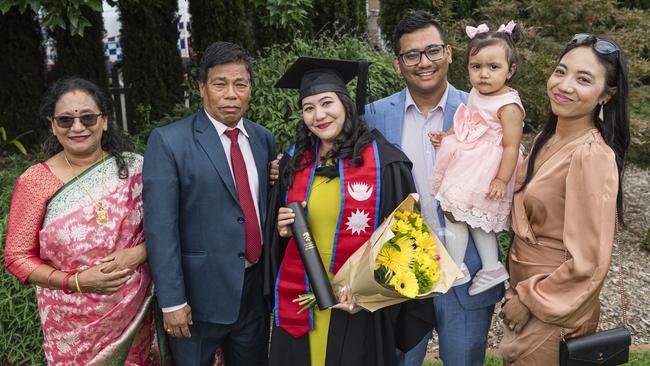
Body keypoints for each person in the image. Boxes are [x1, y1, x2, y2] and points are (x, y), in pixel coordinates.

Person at [265, 56, 434, 366]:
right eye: (308, 108)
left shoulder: (386, 163)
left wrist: (368, 295)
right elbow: (280, 239)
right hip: (303, 300)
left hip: (356, 306)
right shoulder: (295, 162)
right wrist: (281, 228)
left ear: (345, 103)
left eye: (327, 102)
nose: (319, 115)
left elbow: (408, 243)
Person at [364, 10, 503, 366]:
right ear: (398, 64)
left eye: (433, 51)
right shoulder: (374, 116)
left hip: (467, 271)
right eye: (412, 55)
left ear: (450, 53)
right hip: (403, 270)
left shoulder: (484, 110)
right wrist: (283, 168)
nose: (424, 62)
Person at [3, 77, 162, 365]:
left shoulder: (135, 168)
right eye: (65, 120)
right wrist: (76, 281)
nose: (77, 128)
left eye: (88, 118)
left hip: (135, 314)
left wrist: (139, 253)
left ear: (103, 121)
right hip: (70, 326)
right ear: (53, 125)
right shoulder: (35, 182)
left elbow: (167, 228)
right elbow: (16, 257)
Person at [498, 34, 629, 364]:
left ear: (607, 93)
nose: (564, 85)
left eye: (583, 79)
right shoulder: (549, 136)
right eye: (561, 71)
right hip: (527, 288)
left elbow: (588, 262)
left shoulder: (591, 156)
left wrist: (528, 299)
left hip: (552, 304)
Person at [143, 41, 276, 365]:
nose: (231, 94)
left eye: (240, 84)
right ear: (203, 88)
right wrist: (172, 302)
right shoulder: (169, 142)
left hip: (253, 292)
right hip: (197, 299)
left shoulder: (263, 139)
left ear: (250, 89)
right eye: (220, 84)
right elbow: (161, 227)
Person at [429, 21, 525, 295]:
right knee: (465, 215)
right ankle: (487, 266)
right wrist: (447, 135)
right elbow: (467, 121)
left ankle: (461, 267)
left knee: (457, 213)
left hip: (488, 168)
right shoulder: (476, 93)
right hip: (469, 160)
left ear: (510, 71)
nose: (483, 74)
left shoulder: (508, 105)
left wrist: (501, 178)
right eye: (476, 67)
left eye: (493, 67)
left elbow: (511, 146)